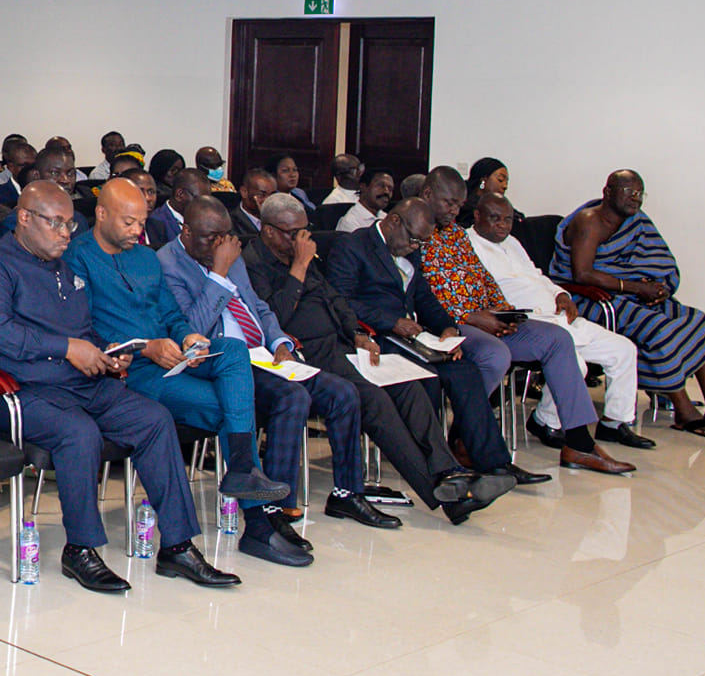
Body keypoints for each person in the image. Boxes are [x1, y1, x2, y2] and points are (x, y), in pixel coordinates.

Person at [0, 183, 237, 593]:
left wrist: (108, 352)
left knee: (154, 419)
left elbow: (82, 328)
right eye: (54, 223)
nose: (64, 234)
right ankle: (81, 548)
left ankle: (178, 545)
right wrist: (68, 348)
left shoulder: (62, 266)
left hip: (79, 382)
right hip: (17, 390)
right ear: (24, 218)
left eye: (69, 224)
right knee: (79, 433)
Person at [66, 183, 301, 562]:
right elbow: (83, 329)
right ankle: (257, 524)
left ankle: (243, 476)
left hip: (173, 358)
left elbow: (171, 314)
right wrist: (147, 345)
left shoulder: (145, 258)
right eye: (129, 222)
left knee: (234, 349)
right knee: (232, 408)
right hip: (132, 373)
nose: (136, 231)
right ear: (102, 214)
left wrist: (186, 335)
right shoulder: (78, 258)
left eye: (142, 222)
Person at [246, 194, 502, 521]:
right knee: (375, 402)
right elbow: (274, 317)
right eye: (290, 232)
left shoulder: (301, 256)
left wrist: (357, 333)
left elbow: (334, 298)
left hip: (341, 344)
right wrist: (299, 266)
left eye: (303, 231)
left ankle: (449, 471)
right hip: (306, 352)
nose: (300, 239)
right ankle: (444, 497)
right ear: (267, 230)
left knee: (408, 384)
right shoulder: (254, 261)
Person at [161, 198, 399, 542]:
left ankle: (348, 493)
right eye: (210, 238)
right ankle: (277, 508)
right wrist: (219, 273)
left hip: (264, 354)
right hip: (224, 362)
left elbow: (258, 307)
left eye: (225, 237)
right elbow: (192, 329)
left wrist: (280, 345)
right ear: (185, 231)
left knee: (343, 393)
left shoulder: (228, 250)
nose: (220, 244)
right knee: (292, 398)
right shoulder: (168, 264)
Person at [416, 166, 633, 475]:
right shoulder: (416, 229)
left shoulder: (455, 234)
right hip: (450, 323)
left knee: (558, 340)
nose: (453, 210)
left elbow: (483, 279)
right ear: (427, 195)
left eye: (458, 205)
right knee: (495, 354)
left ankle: (579, 444)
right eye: (448, 203)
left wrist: (504, 312)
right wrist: (473, 317)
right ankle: (465, 439)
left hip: (488, 317)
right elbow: (424, 295)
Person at [325, 198, 539, 487]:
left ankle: (495, 462)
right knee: (427, 378)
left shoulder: (409, 247)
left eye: (422, 242)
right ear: (394, 221)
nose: (416, 247)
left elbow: (424, 296)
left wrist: (447, 328)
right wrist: (391, 322)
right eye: (414, 239)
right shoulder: (353, 246)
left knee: (465, 371)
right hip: (376, 336)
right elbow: (341, 300)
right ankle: (438, 467)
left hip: (413, 336)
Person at [554, 170, 705, 437]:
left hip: (629, 293)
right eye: (629, 192)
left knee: (697, 320)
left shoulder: (636, 222)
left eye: (640, 193)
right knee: (659, 329)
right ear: (607, 192)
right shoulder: (589, 221)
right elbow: (582, 273)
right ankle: (684, 411)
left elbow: (654, 260)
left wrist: (656, 287)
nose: (636, 199)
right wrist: (636, 286)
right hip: (591, 298)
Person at [470, 192, 652, 450]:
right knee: (575, 364)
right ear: (477, 216)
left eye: (508, 219)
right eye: (495, 218)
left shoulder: (511, 242)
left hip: (558, 315)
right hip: (528, 322)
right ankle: (546, 421)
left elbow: (536, 275)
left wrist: (561, 294)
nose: (502, 225)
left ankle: (614, 423)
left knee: (623, 349)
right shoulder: (469, 245)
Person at [148, 168, 206, 246]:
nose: (204, 206)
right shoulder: (156, 222)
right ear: (180, 195)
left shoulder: (202, 220)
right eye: (199, 200)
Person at [460, 157, 516, 228]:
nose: (505, 186)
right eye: (500, 180)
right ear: (484, 180)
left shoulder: (504, 208)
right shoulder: (466, 209)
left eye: (506, 182)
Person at [231, 167, 274, 242]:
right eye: (261, 195)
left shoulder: (278, 220)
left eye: (272, 195)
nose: (268, 200)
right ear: (244, 192)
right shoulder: (231, 224)